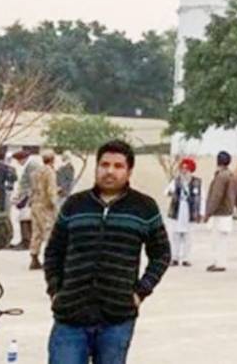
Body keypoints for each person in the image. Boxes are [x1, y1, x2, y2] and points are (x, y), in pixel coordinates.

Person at [45, 140, 171, 363]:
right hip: (71, 314)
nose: (109, 171)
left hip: (117, 316)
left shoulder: (144, 208)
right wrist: (55, 289)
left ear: (129, 170)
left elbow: (161, 254)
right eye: (104, 164)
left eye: (118, 166)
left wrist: (141, 292)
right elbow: (54, 250)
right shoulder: (75, 205)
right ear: (97, 167)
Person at [164, 157, 202, 267]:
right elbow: (166, 191)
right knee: (175, 235)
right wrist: (170, 192)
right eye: (183, 169)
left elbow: (201, 197)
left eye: (187, 169)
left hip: (190, 211)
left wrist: (201, 212)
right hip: (178, 210)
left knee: (188, 236)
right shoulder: (176, 181)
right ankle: (174, 258)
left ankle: (186, 258)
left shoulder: (197, 182)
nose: (184, 171)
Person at [204, 150, 237, 272]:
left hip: (219, 212)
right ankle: (221, 262)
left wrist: (208, 212)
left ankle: (219, 263)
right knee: (224, 239)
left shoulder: (221, 176)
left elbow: (216, 196)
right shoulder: (232, 175)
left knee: (217, 239)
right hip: (228, 212)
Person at [28, 150, 58, 270]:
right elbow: (51, 190)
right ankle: (50, 260)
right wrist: (54, 204)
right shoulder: (50, 172)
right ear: (52, 159)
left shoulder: (35, 172)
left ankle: (34, 258)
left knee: (36, 232)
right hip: (45, 206)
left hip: (35, 204)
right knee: (49, 232)